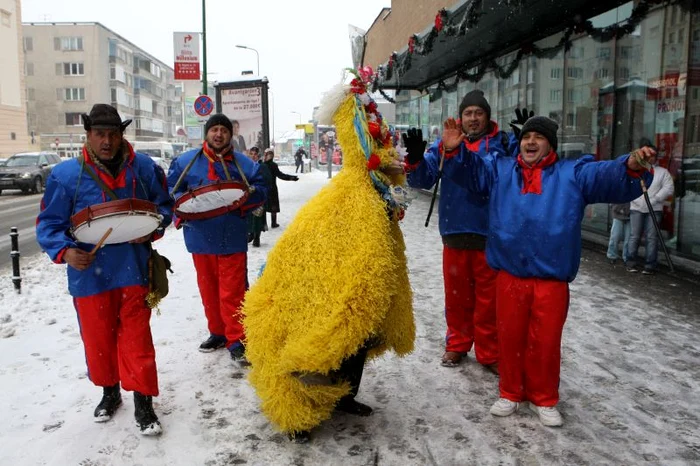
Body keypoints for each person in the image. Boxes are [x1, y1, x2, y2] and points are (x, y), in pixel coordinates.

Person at [432, 115, 654, 427]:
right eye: (526, 137)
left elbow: (604, 175)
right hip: (509, 275)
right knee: (509, 338)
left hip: (551, 279)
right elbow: (473, 171)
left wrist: (630, 164)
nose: (530, 142)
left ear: (550, 144)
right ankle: (510, 392)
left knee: (545, 342)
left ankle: (544, 397)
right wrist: (455, 152)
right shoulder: (500, 169)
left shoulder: (571, 173)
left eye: (538, 137)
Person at [36, 104, 173, 436]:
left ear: (122, 135)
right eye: (100, 134)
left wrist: (152, 229)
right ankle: (109, 392)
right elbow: (49, 224)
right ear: (88, 135)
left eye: (113, 134)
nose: (107, 141)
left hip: (134, 269)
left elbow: (164, 207)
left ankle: (143, 401)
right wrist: (66, 252)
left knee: (138, 340)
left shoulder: (143, 168)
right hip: (88, 273)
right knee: (98, 339)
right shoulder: (66, 175)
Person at [404, 90, 517, 371]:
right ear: (461, 117)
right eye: (468, 113)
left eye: (479, 113)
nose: (474, 118)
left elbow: (487, 177)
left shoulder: (499, 146)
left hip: (489, 236)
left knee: (488, 302)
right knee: (457, 299)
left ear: (487, 117)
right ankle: (457, 344)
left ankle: (489, 353)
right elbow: (422, 179)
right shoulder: (443, 145)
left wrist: (521, 139)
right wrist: (416, 160)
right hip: (454, 233)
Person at [167, 114, 267, 362]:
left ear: (230, 135)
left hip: (231, 237)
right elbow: (171, 192)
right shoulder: (186, 162)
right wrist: (182, 211)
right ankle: (218, 333)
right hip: (200, 238)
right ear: (207, 133)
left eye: (224, 130)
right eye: (215, 129)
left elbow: (261, 190)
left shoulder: (245, 164)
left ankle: (237, 339)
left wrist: (247, 198)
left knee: (233, 292)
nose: (219, 134)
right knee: (209, 291)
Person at [626, 149, 674, 275]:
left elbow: (669, 188)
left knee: (652, 237)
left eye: (653, 156)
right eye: (649, 156)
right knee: (634, 236)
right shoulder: (636, 170)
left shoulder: (662, 172)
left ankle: (650, 265)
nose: (651, 159)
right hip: (636, 207)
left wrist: (656, 199)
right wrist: (636, 198)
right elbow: (628, 184)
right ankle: (630, 262)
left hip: (654, 208)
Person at [262, 148, 299, 228]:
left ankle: (264, 224)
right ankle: (273, 223)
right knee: (273, 207)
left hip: (263, 188)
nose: (270, 156)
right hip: (272, 188)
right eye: (269, 154)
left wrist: (291, 178)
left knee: (264, 206)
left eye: (270, 154)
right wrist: (291, 178)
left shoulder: (262, 164)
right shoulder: (273, 165)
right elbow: (281, 175)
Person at [246, 146, 273, 247]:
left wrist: (259, 189)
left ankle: (257, 237)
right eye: (251, 154)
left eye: (255, 154)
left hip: (259, 195)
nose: (253, 156)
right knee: (249, 216)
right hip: (248, 196)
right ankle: (251, 233)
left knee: (258, 216)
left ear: (258, 155)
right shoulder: (246, 166)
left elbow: (268, 181)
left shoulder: (263, 167)